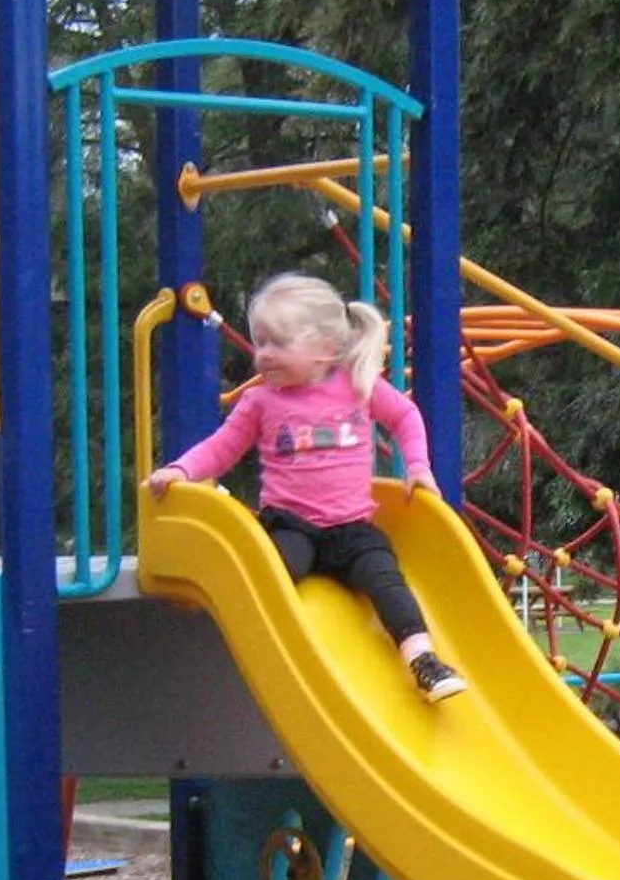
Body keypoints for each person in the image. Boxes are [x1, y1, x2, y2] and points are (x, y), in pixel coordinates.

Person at [147, 273, 466, 703]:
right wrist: (182, 470)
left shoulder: (357, 387)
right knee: (276, 568)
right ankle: (287, 656)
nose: (264, 355)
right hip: (291, 524)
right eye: (260, 343)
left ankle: (422, 660)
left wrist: (418, 468)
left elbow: (406, 417)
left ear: (325, 349)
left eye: (278, 344)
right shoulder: (260, 402)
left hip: (352, 527)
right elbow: (221, 449)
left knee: (386, 581)